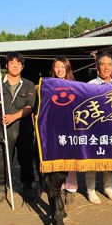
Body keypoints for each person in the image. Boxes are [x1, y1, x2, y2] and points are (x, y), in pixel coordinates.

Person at [0, 52, 37, 205]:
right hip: (4, 128)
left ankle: (27, 187)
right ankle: (1, 188)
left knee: (26, 158)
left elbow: (30, 106)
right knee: (3, 158)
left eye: (19, 63)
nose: (15, 66)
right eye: (12, 63)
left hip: (24, 127)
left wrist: (14, 116)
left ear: (22, 67)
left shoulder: (28, 85)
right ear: (6, 65)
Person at [85, 52, 112, 204]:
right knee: (92, 161)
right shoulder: (90, 86)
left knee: (110, 160)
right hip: (95, 129)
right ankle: (91, 190)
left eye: (109, 64)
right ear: (97, 67)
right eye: (103, 64)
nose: (106, 67)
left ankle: (108, 188)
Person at [51, 56, 78, 205]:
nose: (60, 70)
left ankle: (71, 189)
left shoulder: (76, 85)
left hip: (71, 127)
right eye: (56, 66)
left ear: (67, 68)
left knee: (70, 159)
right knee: (58, 158)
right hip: (54, 129)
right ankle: (59, 186)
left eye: (62, 66)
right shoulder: (48, 85)